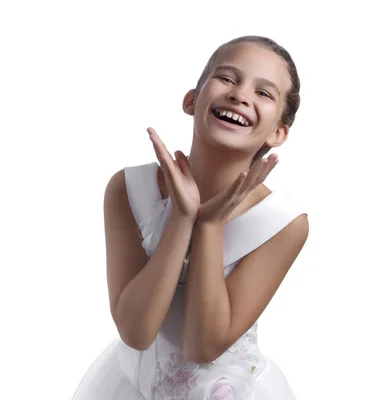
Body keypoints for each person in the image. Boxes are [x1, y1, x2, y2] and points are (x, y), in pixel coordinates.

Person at [71, 35, 309, 400]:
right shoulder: (128, 189)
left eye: (264, 93)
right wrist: (181, 217)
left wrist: (210, 225)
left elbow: (203, 346)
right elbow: (135, 332)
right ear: (191, 100)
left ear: (279, 132)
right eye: (227, 79)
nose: (240, 94)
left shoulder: (282, 222)